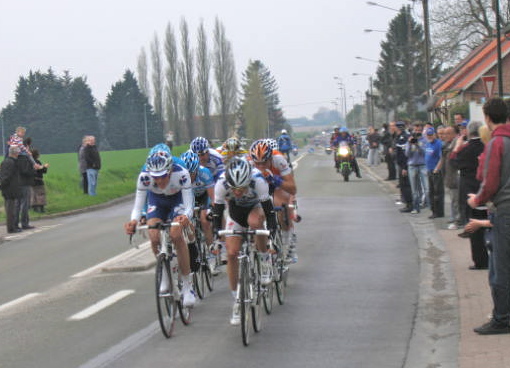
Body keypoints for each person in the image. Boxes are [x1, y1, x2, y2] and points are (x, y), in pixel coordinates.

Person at [124, 150, 197, 307]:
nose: (159, 180)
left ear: (170, 170)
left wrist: (185, 216)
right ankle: (164, 273)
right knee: (154, 235)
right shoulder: (144, 177)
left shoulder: (181, 173)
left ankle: (187, 285)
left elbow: (189, 204)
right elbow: (138, 206)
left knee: (176, 234)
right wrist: (133, 221)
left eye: (163, 176)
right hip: (157, 201)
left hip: (177, 200)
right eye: (155, 177)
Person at [211, 157, 277, 325]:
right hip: (235, 212)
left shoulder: (259, 181)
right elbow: (217, 214)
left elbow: (270, 213)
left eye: (241, 188)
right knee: (232, 253)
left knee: (255, 223)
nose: (238, 192)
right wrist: (217, 239)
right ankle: (237, 300)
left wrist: (272, 237)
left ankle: (263, 259)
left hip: (256, 207)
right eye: (234, 188)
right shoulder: (221, 183)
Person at [466, 97, 510, 335]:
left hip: (503, 210)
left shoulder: (497, 143)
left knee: (499, 268)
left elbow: (491, 179)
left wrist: (477, 200)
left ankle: (502, 318)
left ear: (488, 117)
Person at [405, 122, 429, 214]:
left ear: (422, 131)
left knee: (427, 188)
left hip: (422, 165)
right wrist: (411, 144)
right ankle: (416, 207)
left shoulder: (425, 140)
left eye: (419, 130)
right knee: (414, 189)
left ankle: (429, 205)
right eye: (416, 130)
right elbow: (407, 154)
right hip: (412, 166)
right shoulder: (410, 140)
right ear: (413, 130)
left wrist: (418, 145)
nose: (417, 132)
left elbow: (425, 153)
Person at [442, 125, 461, 229]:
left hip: (455, 176)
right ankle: (454, 217)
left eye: (448, 133)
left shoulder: (456, 143)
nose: (445, 135)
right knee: (453, 199)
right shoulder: (446, 144)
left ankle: (458, 219)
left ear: (455, 134)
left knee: (456, 199)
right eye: (445, 133)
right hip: (449, 176)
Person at [1, 146, 22, 233]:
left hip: (10, 189)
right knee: (10, 211)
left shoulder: (8, 161)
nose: (18, 154)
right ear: (15, 153)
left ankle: (13, 227)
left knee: (11, 210)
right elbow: (6, 176)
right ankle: (11, 228)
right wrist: (2, 185)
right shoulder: (10, 162)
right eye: (18, 152)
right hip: (9, 190)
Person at [425, 127, 444, 219]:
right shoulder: (428, 144)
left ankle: (438, 212)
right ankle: (433, 210)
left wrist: (437, 168)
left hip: (436, 171)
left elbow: (442, 157)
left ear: (434, 134)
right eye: (428, 135)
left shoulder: (438, 144)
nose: (430, 137)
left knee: (437, 192)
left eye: (431, 135)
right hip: (429, 170)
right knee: (431, 192)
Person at [17, 141, 36, 230]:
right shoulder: (24, 158)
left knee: (18, 204)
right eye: (27, 148)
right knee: (25, 203)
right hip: (24, 183)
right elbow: (25, 171)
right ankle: (25, 223)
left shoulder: (16, 158)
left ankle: (16, 223)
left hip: (18, 183)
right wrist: (34, 170)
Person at [395, 121, 413, 213]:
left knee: (406, 185)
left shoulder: (403, 137)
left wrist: (405, 167)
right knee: (403, 185)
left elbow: (405, 154)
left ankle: (409, 204)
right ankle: (407, 203)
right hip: (401, 164)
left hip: (404, 165)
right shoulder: (400, 136)